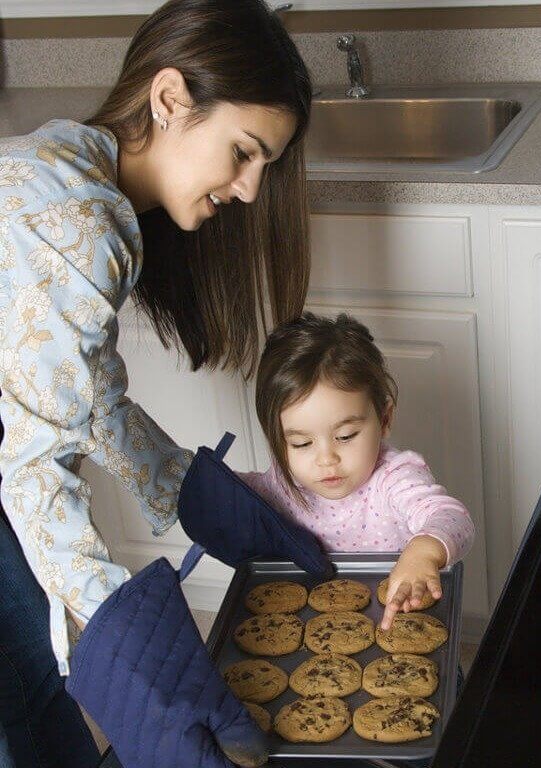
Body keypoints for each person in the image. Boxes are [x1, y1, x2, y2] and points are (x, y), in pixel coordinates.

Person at [0, 1, 324, 766]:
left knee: (32, 677)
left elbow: (90, 404)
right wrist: (146, 668)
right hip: (14, 466)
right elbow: (37, 469)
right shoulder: (75, 219)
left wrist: (197, 494)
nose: (249, 190)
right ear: (171, 99)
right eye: (243, 152)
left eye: (263, 166)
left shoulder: (75, 166)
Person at [238, 312, 475, 630]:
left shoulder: (395, 479)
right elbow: (235, 495)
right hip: (317, 629)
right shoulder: (283, 482)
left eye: (346, 436)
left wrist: (424, 552)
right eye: (301, 443)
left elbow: (452, 518)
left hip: (400, 618)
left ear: (385, 418)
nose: (326, 459)